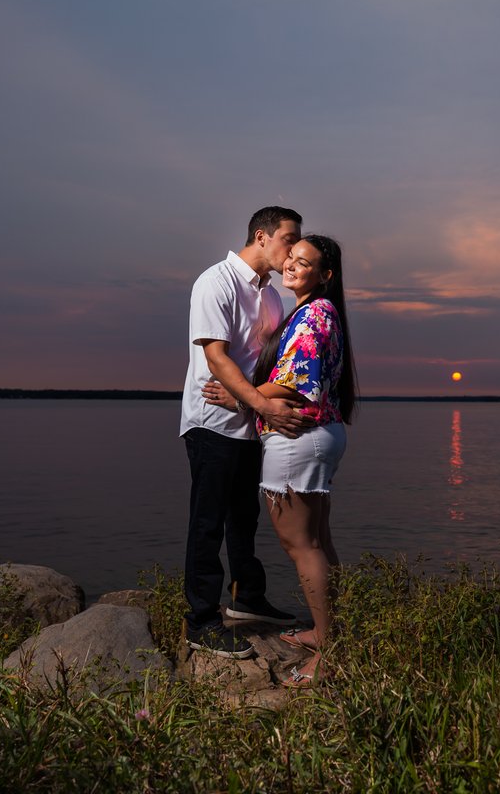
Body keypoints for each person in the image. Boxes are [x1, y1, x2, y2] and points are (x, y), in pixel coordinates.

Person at [205, 234, 357, 686]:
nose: (290, 264)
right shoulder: (317, 311)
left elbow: (294, 380)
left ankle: (328, 654)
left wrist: (240, 397)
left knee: (301, 546)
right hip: (317, 435)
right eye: (291, 256)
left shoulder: (314, 314)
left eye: (303, 262)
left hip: (297, 437)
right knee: (318, 541)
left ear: (324, 275)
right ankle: (329, 633)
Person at [179, 206, 314, 659]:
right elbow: (216, 358)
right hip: (211, 423)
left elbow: (265, 366)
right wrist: (262, 405)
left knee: (244, 518)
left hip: (249, 425)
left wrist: (256, 406)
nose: (293, 251)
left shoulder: (272, 297)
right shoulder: (215, 282)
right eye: (288, 239)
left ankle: (247, 598)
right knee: (207, 522)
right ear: (261, 236)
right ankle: (201, 620)